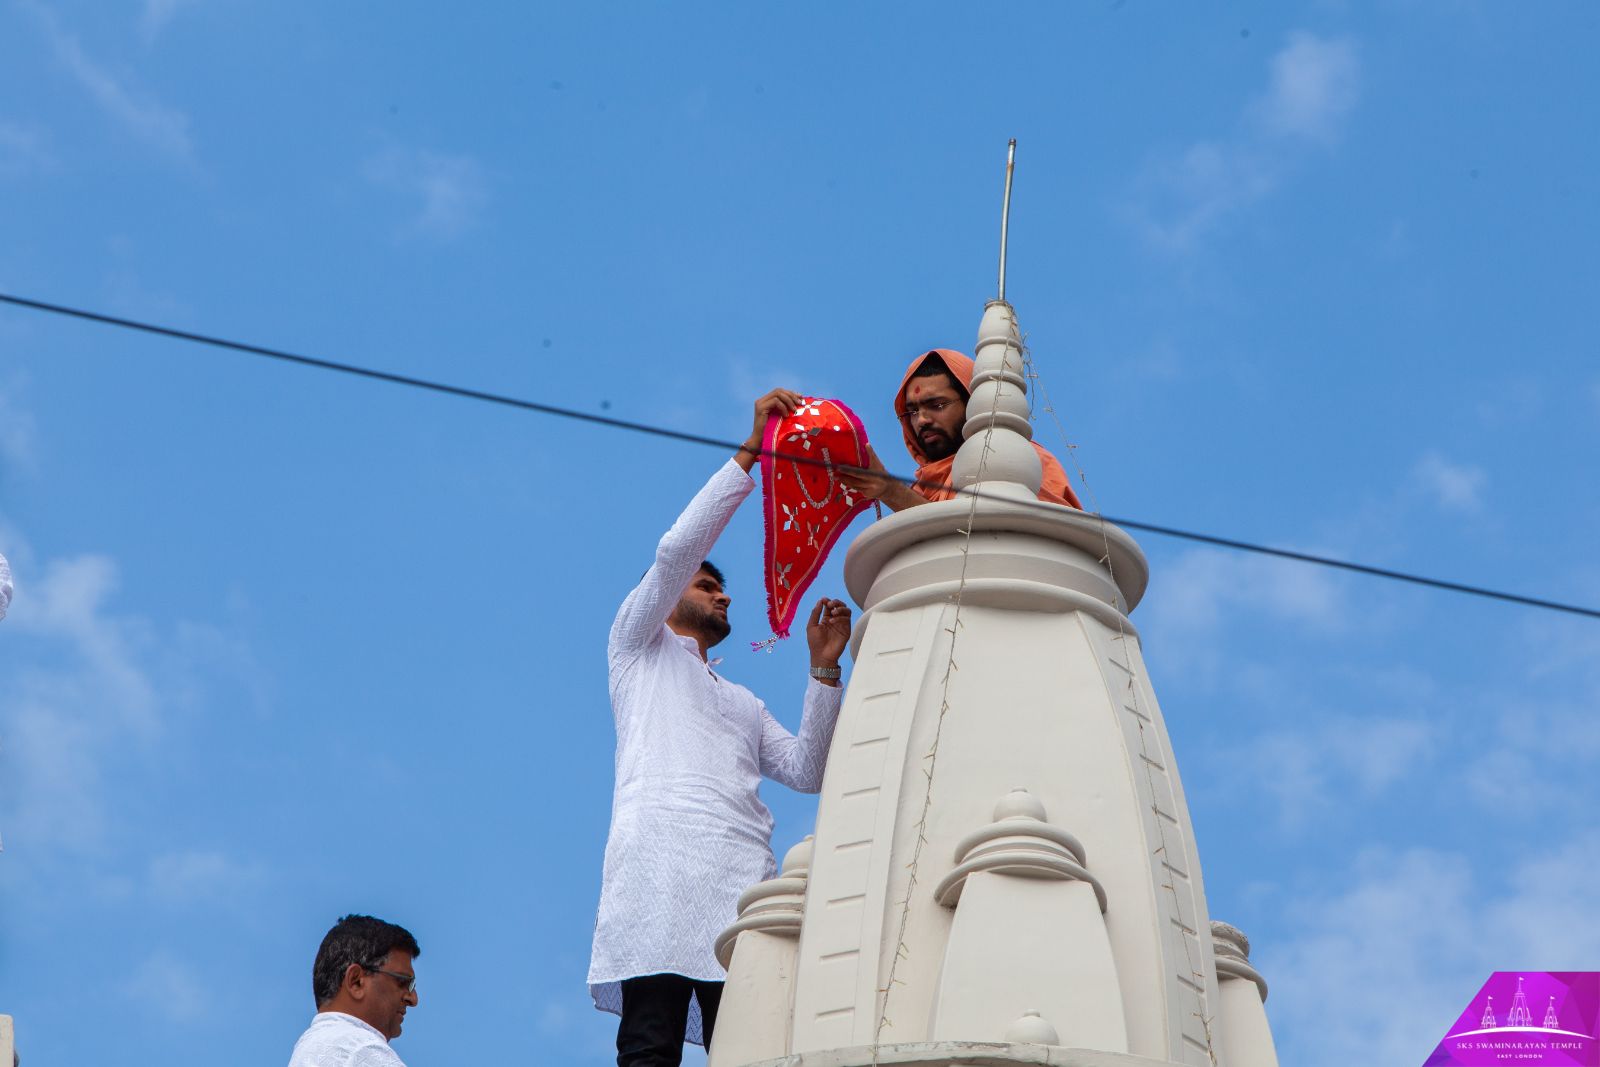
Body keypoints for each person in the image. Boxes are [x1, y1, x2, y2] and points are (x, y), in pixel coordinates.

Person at [589, 388, 854, 1067]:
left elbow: (808, 769)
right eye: (707, 583)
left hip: (741, 884)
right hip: (660, 875)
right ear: (666, 594)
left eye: (722, 586)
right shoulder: (635, 648)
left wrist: (823, 672)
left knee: (751, 1049)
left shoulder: (737, 699)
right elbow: (678, 547)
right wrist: (752, 452)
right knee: (650, 1047)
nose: (723, 591)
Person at [842, 348, 1083, 511]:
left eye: (936, 405)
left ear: (972, 404)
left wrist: (891, 491)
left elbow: (979, 539)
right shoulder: (922, 488)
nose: (922, 420)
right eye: (912, 411)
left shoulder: (1021, 457)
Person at [287, 914, 420, 1067]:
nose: (413, 999)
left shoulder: (309, 1047)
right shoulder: (360, 1049)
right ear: (356, 981)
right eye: (403, 982)